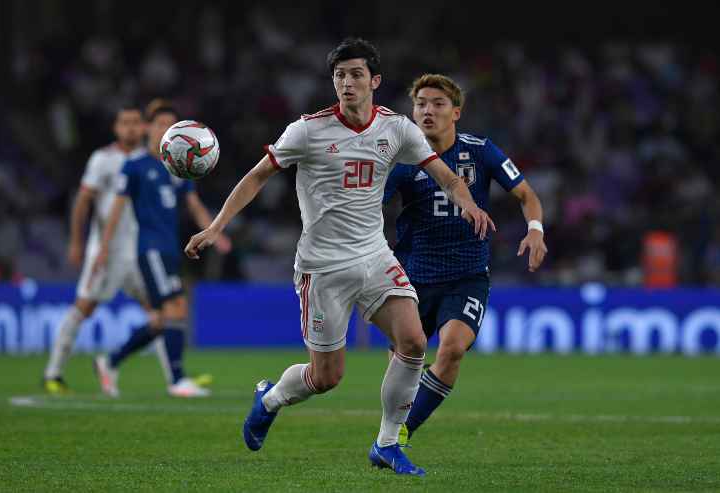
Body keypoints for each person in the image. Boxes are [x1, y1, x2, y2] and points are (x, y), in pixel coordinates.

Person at [184, 38, 494, 476]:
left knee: (413, 342)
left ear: (375, 81)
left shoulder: (396, 128)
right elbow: (257, 177)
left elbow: (445, 175)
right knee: (326, 377)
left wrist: (468, 202)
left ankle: (387, 443)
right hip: (322, 266)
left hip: (374, 255)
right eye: (340, 75)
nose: (347, 83)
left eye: (355, 75)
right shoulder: (307, 131)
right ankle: (270, 398)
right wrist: (216, 227)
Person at [383, 74, 547, 445]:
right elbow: (373, 206)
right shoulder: (402, 159)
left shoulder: (481, 150)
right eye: (421, 103)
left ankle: (403, 433)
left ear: (456, 112)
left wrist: (535, 228)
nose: (428, 110)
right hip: (413, 278)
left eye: (438, 103)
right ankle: (392, 429)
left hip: (467, 275)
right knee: (402, 361)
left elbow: (526, 194)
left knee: (453, 347)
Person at [93, 99, 231, 398]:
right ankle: (177, 380)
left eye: (169, 125)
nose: (163, 130)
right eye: (158, 124)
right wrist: (103, 249)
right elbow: (116, 209)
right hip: (150, 248)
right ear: (147, 129)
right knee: (176, 307)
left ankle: (110, 361)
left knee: (159, 320)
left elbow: (193, 205)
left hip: (170, 248)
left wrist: (215, 231)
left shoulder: (179, 168)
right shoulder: (136, 166)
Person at [42, 106, 158, 394]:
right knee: (85, 306)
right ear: (116, 128)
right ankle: (53, 373)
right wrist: (77, 241)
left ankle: (177, 380)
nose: (130, 128)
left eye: (135, 122)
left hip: (139, 250)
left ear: (143, 127)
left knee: (164, 312)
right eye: (124, 123)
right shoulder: (103, 160)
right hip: (106, 251)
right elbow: (82, 202)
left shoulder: (151, 161)